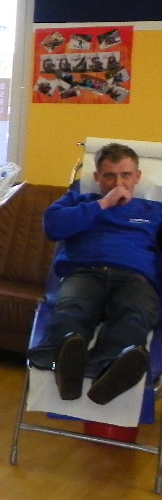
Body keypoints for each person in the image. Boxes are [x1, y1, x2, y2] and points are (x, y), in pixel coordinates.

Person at [27, 142, 162, 404]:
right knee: (74, 309)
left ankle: (106, 372)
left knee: (133, 314)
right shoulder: (80, 201)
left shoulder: (154, 210)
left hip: (135, 278)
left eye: (125, 175)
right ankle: (64, 364)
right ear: (97, 177)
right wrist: (103, 204)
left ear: (137, 176)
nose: (118, 183)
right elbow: (53, 227)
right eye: (110, 176)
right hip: (85, 272)